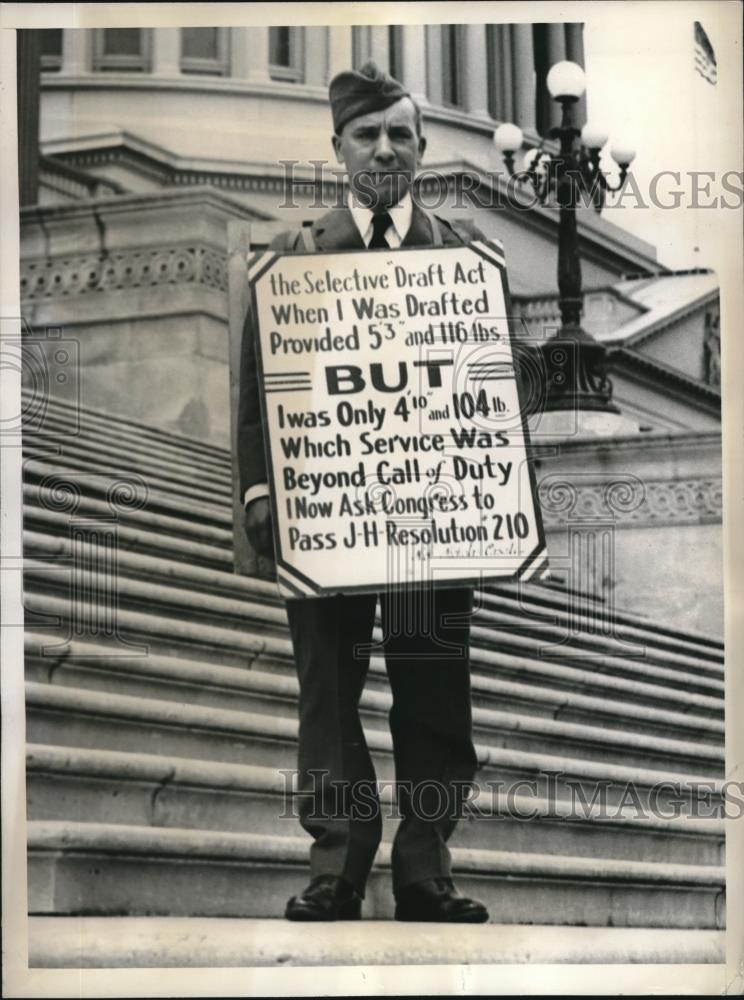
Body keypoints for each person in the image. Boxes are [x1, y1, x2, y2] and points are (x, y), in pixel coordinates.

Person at [237, 60, 490, 923]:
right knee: (327, 691)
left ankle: (426, 868)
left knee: (434, 688)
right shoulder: (294, 257)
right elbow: (256, 385)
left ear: (422, 148)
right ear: (337, 149)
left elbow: (485, 393)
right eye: (367, 136)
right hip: (326, 509)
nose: (386, 151)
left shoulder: (461, 261)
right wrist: (260, 489)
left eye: (401, 135)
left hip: (430, 515)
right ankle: (337, 866)